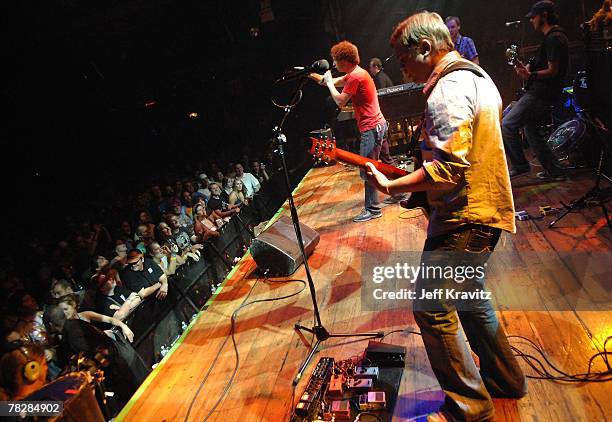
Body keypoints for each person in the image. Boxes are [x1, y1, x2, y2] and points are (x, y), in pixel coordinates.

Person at [365, 11, 527, 421]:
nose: (401, 65)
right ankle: (506, 380)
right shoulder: (477, 78)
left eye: (403, 57)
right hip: (486, 210)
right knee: (471, 299)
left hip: (465, 217)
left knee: (430, 306)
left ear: (425, 47)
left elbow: (447, 169)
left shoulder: (446, 91)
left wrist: (390, 186)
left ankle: (468, 407)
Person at [310, 40, 389, 222]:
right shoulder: (356, 72)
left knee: (367, 169)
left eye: (336, 61)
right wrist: (310, 75)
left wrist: (329, 84)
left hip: (371, 128)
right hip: (379, 124)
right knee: (386, 162)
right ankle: (401, 195)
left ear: (343, 61)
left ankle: (373, 209)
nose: (334, 64)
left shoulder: (355, 77)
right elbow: (327, 81)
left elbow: (339, 101)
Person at [501, 0, 569, 181]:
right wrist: (525, 70)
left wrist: (530, 76)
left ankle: (520, 165)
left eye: (534, 17)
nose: (531, 20)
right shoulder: (551, 38)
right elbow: (542, 67)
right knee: (531, 130)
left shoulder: (555, 38)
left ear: (544, 16)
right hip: (544, 92)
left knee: (507, 124)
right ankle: (555, 171)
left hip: (542, 93)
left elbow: (553, 70)